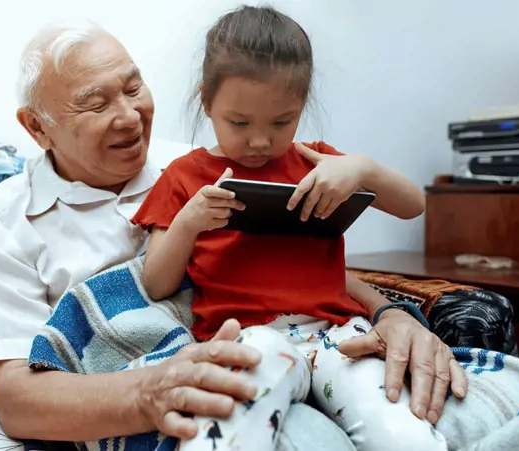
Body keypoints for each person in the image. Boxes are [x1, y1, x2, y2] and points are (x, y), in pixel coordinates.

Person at [0, 17, 464, 448]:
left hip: (322, 341)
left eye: (134, 88)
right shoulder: (1, 221)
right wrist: (149, 391)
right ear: (37, 128)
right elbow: (19, 400)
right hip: (199, 372)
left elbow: (300, 258)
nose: (130, 117)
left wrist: (393, 313)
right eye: (96, 103)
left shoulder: (213, 160)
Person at [131, 6, 465, 451]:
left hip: (341, 338)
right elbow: (156, 283)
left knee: (407, 436)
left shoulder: (318, 162)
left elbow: (412, 206)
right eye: (240, 122)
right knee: (229, 426)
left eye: (281, 122)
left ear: (301, 108)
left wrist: (361, 169)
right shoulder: (183, 177)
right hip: (252, 337)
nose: (260, 141)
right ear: (206, 101)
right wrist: (189, 222)